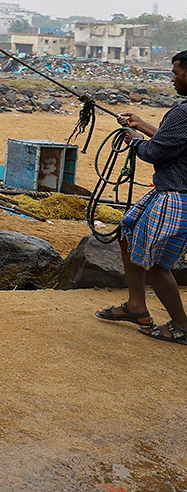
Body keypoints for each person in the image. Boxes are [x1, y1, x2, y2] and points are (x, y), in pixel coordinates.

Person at [95, 49, 187, 345]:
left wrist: (136, 142)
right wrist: (142, 125)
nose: (173, 78)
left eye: (176, 73)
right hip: (169, 191)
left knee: (158, 266)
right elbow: (170, 141)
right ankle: (136, 306)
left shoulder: (182, 112)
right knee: (127, 231)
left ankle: (182, 326)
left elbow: (156, 151)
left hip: (175, 195)